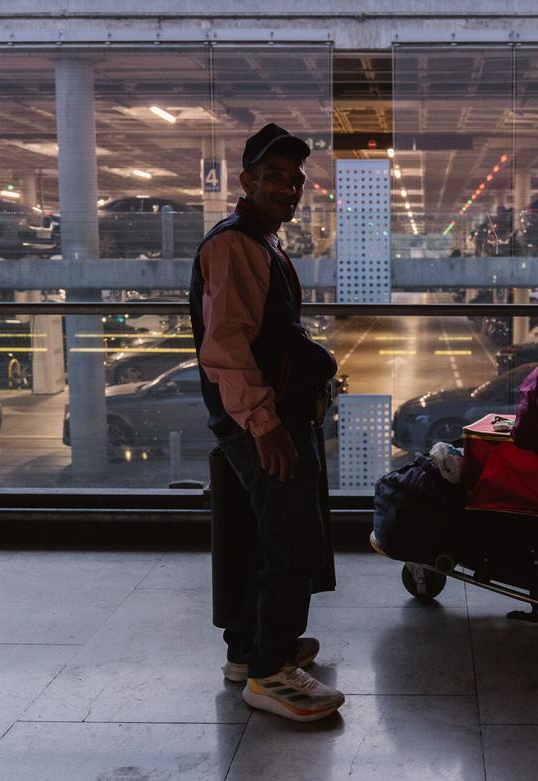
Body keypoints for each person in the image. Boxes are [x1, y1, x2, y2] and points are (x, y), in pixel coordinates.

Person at [189, 123, 343, 723]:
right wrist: (265, 424)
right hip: (261, 422)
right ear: (247, 181)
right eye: (274, 177)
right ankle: (271, 671)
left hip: (264, 416)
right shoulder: (233, 246)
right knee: (288, 542)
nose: (288, 188)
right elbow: (226, 344)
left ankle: (248, 652)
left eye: (295, 180)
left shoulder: (261, 243)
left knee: (259, 537)